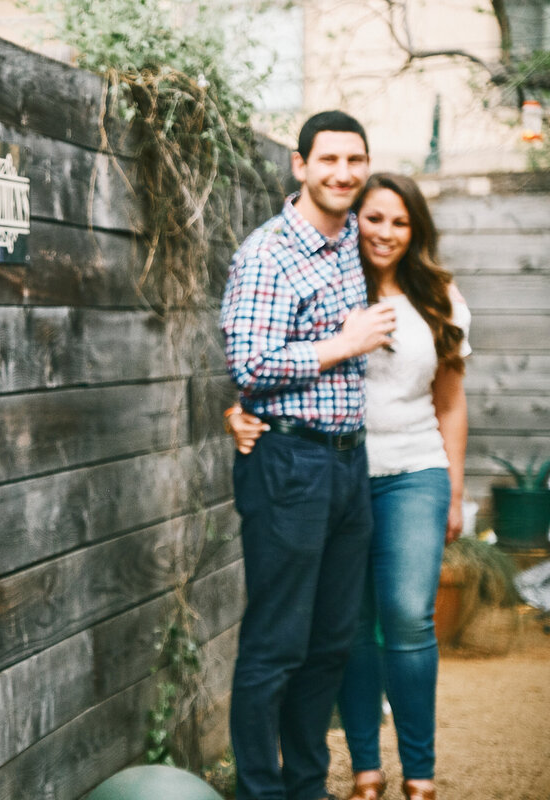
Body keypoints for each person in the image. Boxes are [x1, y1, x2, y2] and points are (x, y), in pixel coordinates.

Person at [227, 173, 469, 800]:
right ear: (355, 219)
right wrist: (241, 409)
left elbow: (451, 400)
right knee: (346, 628)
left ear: (416, 230)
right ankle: (364, 768)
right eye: (375, 218)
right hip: (341, 468)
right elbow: (270, 355)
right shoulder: (334, 277)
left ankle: (420, 772)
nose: (385, 232)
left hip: (415, 471)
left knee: (407, 616)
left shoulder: (437, 296)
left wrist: (455, 485)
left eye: (400, 222)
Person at [218, 110, 397, 800]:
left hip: (350, 464)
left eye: (356, 160)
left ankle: (308, 787)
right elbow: (250, 363)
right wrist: (342, 345)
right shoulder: (267, 253)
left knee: (330, 643)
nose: (344, 173)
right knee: (276, 644)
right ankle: (262, 791)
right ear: (300, 165)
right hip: (287, 463)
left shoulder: (361, 240)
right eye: (329, 160)